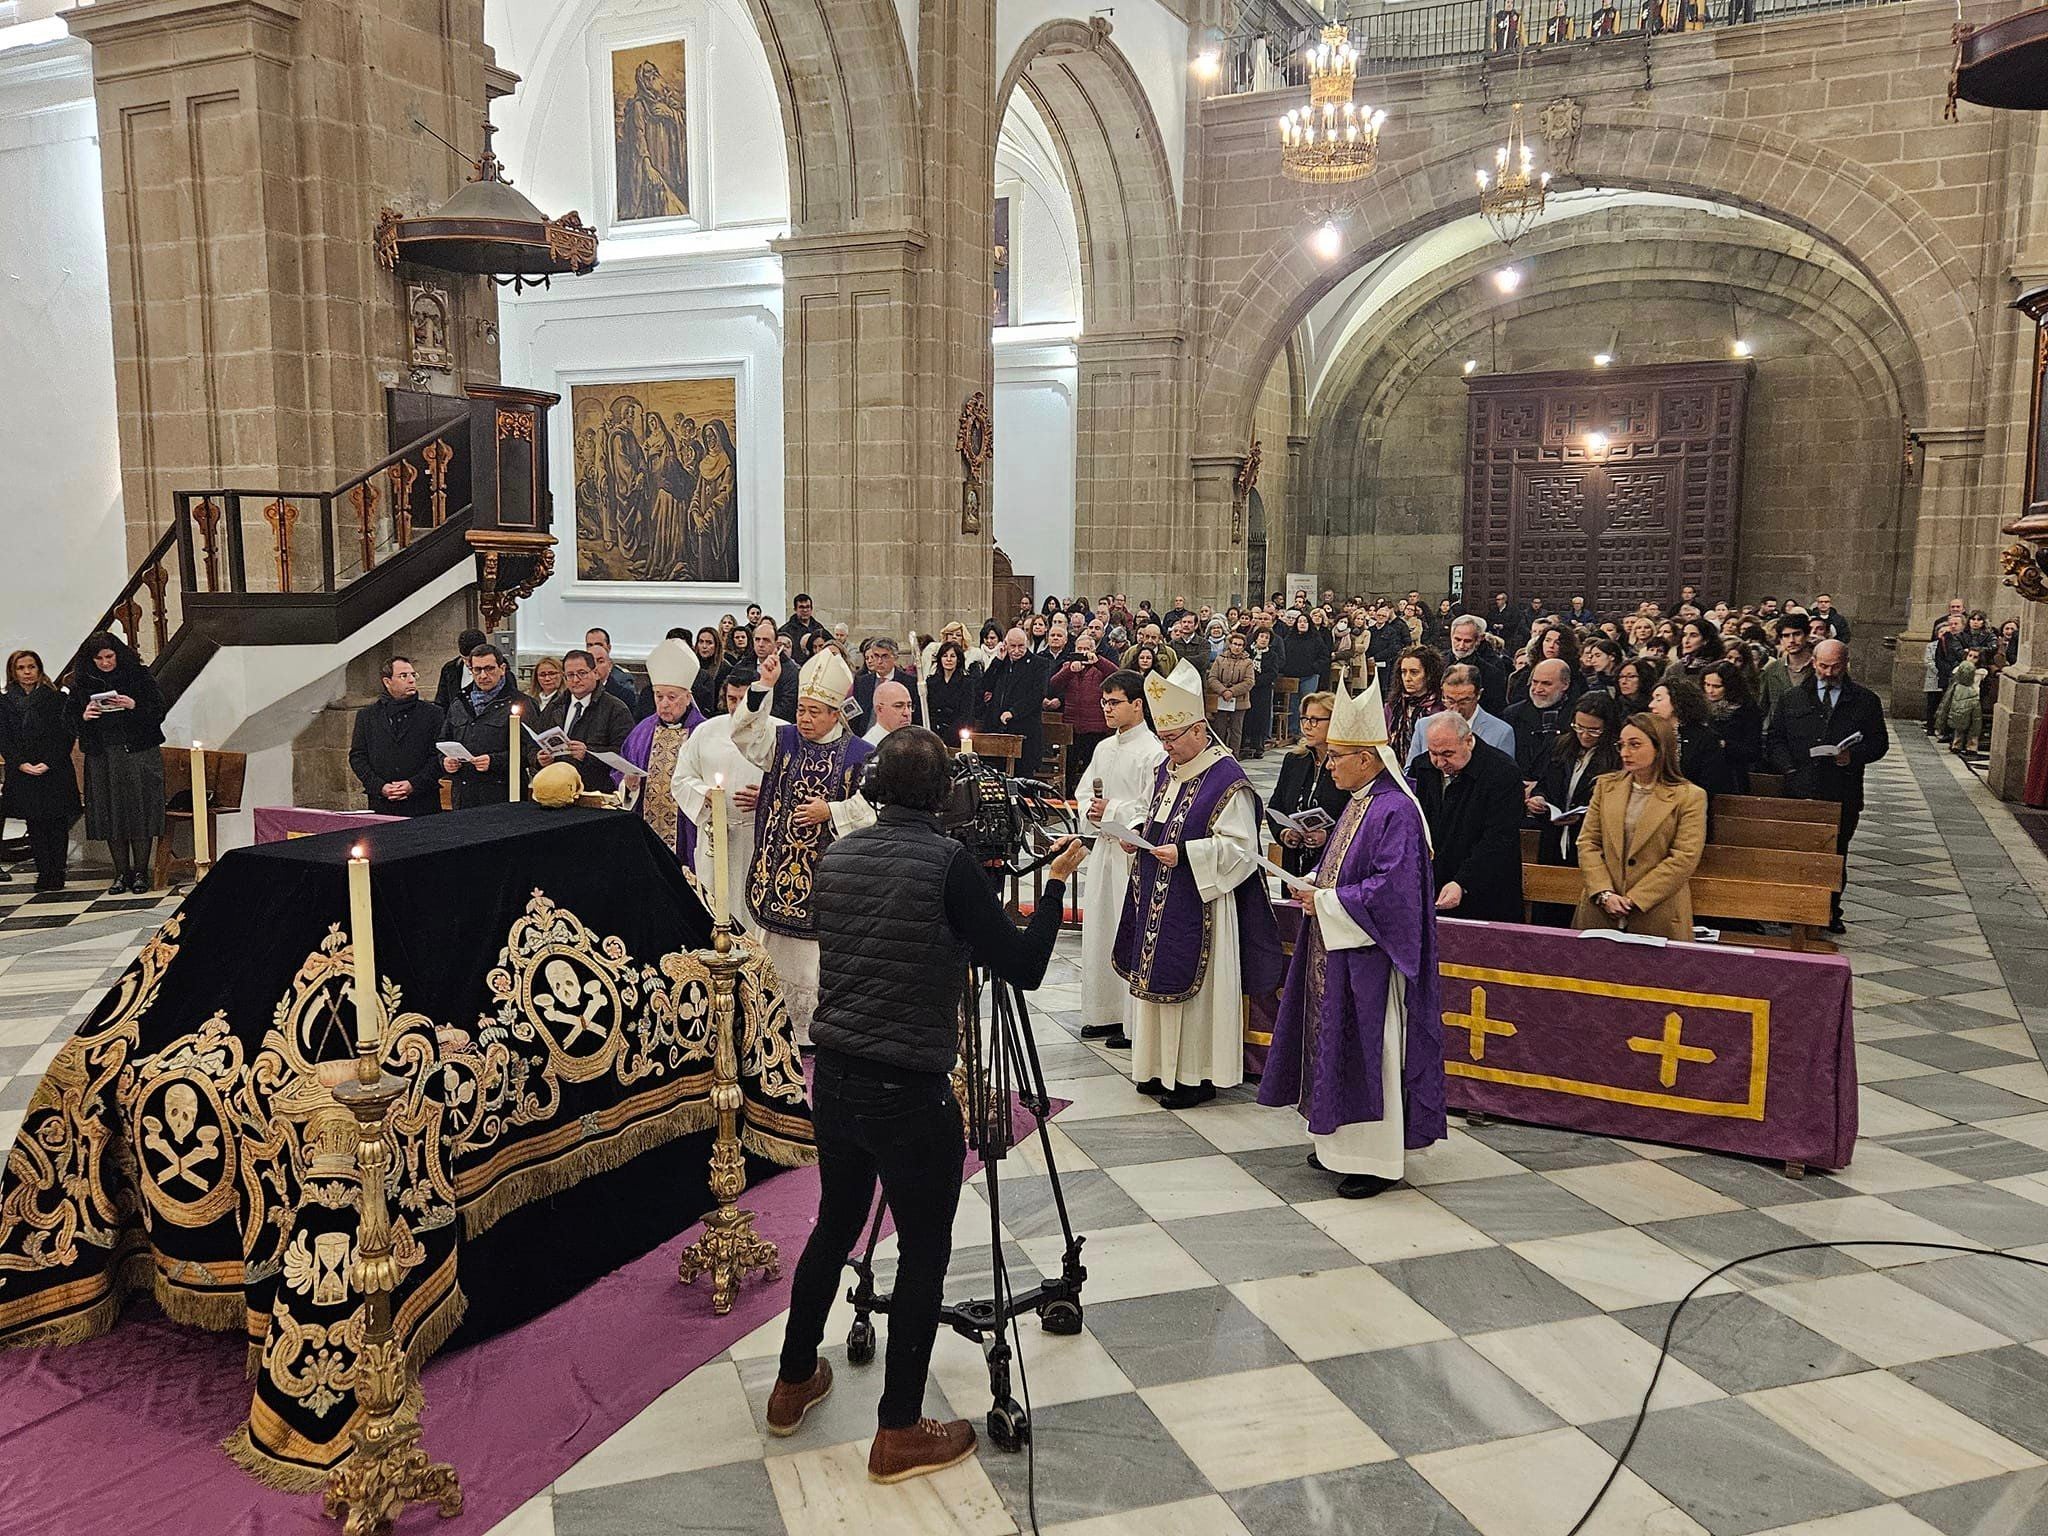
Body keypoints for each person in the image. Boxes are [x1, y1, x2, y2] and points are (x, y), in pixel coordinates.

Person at [768, 728, 1087, 1483]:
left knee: (834, 1225)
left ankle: (791, 1384)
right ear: (943, 793)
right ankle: (900, 1430)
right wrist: (1053, 885)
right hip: (909, 1088)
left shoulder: (840, 854)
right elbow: (1024, 967)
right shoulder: (947, 863)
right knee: (922, 1253)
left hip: (836, 1077)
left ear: (876, 787)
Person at [1259, 668, 1444, 1199]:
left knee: (1371, 1049)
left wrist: (1328, 900)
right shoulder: (1362, 800)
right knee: (1333, 1041)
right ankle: (1337, 1145)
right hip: (1338, 948)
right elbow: (1346, 864)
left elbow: (1392, 890)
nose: (1330, 764)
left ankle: (1376, 1159)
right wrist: (1315, 881)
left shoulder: (1396, 809)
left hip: (1370, 958)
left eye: (1337, 756)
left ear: (1366, 758)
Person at [1113, 663, 1283, 1110]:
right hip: (1159, 895)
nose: (1166, 748)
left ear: (1201, 730)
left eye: (1173, 738)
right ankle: (1152, 1067)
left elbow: (1242, 849)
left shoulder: (1228, 779)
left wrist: (1186, 855)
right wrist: (1137, 836)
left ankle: (1193, 1077)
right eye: (1163, 739)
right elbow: (1157, 817)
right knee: (1155, 987)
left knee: (1194, 997)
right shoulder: (1170, 769)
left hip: (1202, 902)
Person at [731, 648, 877, 1039]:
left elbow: (872, 809)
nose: (805, 718)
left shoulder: (861, 755)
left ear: (835, 714)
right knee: (773, 954)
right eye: (801, 709)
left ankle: (813, 1030)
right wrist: (764, 685)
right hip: (776, 874)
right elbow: (744, 734)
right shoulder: (783, 741)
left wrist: (831, 811)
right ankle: (772, 1022)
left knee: (816, 960)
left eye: (815, 711)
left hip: (825, 880)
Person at [1765, 639, 1888, 932]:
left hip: (1841, 789)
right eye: (1823, 666)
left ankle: (1830, 910)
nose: (1828, 672)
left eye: (1835, 667)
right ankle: (1794, 910)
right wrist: (1790, 769)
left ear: (1845, 665)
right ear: (1813, 663)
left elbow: (1879, 744)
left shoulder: (1865, 700)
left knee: (1836, 853)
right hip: (1800, 787)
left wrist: (1852, 756)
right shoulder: (1792, 698)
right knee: (1798, 853)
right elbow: (1775, 739)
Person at [1076, 670, 1165, 1046]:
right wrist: (1092, 813)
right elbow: (1082, 793)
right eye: (1104, 703)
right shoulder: (1103, 749)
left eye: (1114, 703)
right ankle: (1104, 1013)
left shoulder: (1154, 752)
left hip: (1132, 855)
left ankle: (1131, 1022)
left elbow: (1153, 806)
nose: (1107, 709)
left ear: (1137, 705)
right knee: (1100, 930)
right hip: (1105, 853)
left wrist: (1113, 810)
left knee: (1127, 930)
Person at [1574, 713, 1708, 940]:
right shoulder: (1605, 786)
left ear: (1660, 747)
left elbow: (1684, 857)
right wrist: (1604, 893)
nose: (1625, 753)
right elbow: (1588, 842)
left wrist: (1635, 899)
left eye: (1635, 745)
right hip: (1601, 908)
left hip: (1657, 913)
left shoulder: (1689, 797)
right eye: (1622, 745)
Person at [69, 632, 166, 893]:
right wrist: (84, 716)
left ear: (118, 654)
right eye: (98, 658)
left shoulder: (138, 675)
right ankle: (121, 873)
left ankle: (140, 873)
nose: (105, 663)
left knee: (139, 812)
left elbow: (158, 709)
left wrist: (133, 704)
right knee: (111, 814)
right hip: (103, 755)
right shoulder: (82, 682)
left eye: (109, 656)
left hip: (137, 753)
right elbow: (67, 720)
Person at [673, 665, 766, 936]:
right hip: (716, 837)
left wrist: (766, 798)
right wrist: (704, 794)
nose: (737, 708)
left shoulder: (779, 732)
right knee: (715, 907)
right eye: (731, 699)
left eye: (744, 700)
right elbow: (680, 778)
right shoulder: (706, 731)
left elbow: (792, 783)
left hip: (756, 837)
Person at [1410, 712, 1526, 922]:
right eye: (1433, 753)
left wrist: (1463, 883)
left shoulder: (1503, 772)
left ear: (1469, 741)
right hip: (1435, 881)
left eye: (1447, 753)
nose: (1439, 762)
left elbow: (1499, 838)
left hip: (1486, 889)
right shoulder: (1422, 767)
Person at [1528, 692, 1623, 917]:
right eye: (1579, 727)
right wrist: (1539, 799)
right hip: (1553, 836)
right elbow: (1545, 783)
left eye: (1593, 730)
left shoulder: (1616, 757)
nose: (1585, 735)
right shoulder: (1560, 746)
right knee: (1547, 910)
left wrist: (1584, 815)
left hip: (1590, 843)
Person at [614, 638, 706, 863]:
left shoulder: (703, 733)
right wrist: (629, 785)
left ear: (688, 697)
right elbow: (622, 772)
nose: (664, 703)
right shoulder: (642, 732)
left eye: (671, 697)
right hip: (647, 828)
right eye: (659, 696)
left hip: (686, 830)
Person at [0, 650, 78, 890]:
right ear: (13, 672)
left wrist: (49, 762)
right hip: (23, 769)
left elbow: (65, 734)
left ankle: (57, 871)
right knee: (35, 823)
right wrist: (20, 762)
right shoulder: (4, 703)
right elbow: (4, 736)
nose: (27, 672)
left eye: (31, 667)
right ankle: (44, 870)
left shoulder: (55, 699)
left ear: (39, 669)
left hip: (53, 768)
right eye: (21, 668)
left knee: (56, 822)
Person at [348, 656, 446, 816]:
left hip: (422, 802)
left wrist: (413, 784)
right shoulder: (367, 716)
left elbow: (439, 756)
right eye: (403, 676)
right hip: (382, 803)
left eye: (413, 675)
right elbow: (358, 757)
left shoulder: (433, 713)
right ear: (387, 682)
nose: (411, 680)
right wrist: (380, 787)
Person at [441, 643, 535, 808]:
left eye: (489, 669)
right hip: (465, 795)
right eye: (477, 670)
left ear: (502, 668)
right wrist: (445, 761)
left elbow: (531, 751)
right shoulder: (460, 703)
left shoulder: (521, 703)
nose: (483, 675)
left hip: (502, 793)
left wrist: (494, 761)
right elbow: (443, 739)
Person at [1270, 691, 1351, 878]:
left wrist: (1327, 835)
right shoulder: (1295, 759)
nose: (1308, 726)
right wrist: (1284, 833)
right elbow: (1276, 806)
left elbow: (1355, 817)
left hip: (1332, 863)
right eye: (1304, 719)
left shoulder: (1347, 764)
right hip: (1294, 862)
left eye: (1315, 720)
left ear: (1335, 721)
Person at [536, 649, 636, 793]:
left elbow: (624, 753)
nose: (576, 680)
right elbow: (534, 744)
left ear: (595, 673)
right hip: (559, 789)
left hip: (597, 791)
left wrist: (588, 754)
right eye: (570, 675)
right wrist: (539, 759)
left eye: (582, 673)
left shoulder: (615, 708)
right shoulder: (555, 706)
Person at [1046, 632, 1117, 790]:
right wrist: (1070, 670)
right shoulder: (1068, 666)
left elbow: (1116, 674)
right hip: (1073, 727)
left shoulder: (1100, 668)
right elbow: (1053, 685)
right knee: (1070, 765)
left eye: (1087, 648)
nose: (1083, 652)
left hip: (1095, 727)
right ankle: (1070, 793)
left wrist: (1098, 661)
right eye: (1080, 648)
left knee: (1092, 765)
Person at [975, 627, 1049, 774]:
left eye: (1020, 646)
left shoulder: (1039, 664)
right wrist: (998, 660)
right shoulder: (1002, 663)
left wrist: (1013, 712)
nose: (1016, 650)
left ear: (1027, 643)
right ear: (1005, 645)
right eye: (1012, 646)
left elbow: (1036, 695)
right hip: (997, 729)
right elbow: (985, 685)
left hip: (1024, 729)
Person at [1409, 663, 1515, 766]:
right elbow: (1410, 774)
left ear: (1479, 695)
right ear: (1442, 692)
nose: (1456, 709)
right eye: (1450, 700)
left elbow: (1504, 778)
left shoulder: (1501, 733)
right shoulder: (1423, 726)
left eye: (1463, 702)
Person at [1650, 680, 1737, 800]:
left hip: (1691, 804)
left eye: (1658, 699)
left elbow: (1711, 784)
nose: (1651, 705)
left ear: (1677, 701)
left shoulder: (1704, 737)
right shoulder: (1650, 734)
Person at [1503, 659, 1574, 778]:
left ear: (1565, 685)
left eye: (1546, 683)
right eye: (1535, 682)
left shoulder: (1575, 717)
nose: (1537, 689)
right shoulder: (1512, 714)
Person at [1701, 661, 1762, 791]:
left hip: (1732, 776)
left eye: (1717, 686)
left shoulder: (1746, 709)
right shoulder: (1698, 707)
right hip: (1702, 774)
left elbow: (1753, 751)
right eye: (1707, 685)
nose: (1710, 690)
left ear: (1730, 686)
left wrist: (1725, 744)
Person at [1385, 645, 1444, 764]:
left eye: (1414, 672)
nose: (1407, 678)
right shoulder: (1392, 707)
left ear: (1428, 675)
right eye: (1403, 672)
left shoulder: (1440, 709)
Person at [851, 638, 921, 737]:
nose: (879, 661)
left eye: (885, 656)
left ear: (895, 657)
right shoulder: (862, 682)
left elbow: (917, 717)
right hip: (867, 739)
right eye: (876, 656)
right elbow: (856, 717)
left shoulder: (910, 682)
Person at [1446, 616, 1508, 715]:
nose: (1461, 646)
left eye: (1467, 641)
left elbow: (1495, 709)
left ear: (1478, 640)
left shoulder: (1491, 672)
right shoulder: (1438, 663)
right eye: (1457, 639)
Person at [1207, 630, 1257, 752]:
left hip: (1240, 700)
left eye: (1240, 645)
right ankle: (1218, 753)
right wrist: (1223, 691)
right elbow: (1212, 678)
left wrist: (1232, 691)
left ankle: (1234, 754)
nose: (1236, 647)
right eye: (1234, 644)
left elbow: (1249, 681)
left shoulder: (1248, 662)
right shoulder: (1220, 659)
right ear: (1230, 645)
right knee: (1220, 728)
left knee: (1236, 729)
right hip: (1222, 698)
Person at [924, 641, 975, 743]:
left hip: (956, 735)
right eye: (944, 656)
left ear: (958, 660)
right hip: (935, 733)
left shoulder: (967, 683)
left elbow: (966, 714)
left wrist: (949, 735)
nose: (948, 659)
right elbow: (929, 710)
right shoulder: (932, 682)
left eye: (952, 656)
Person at [585, 628, 640, 713]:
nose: (594, 648)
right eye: (590, 645)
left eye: (599, 644)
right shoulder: (579, 687)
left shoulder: (622, 683)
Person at [433, 627, 487, 713]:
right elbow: (442, 702)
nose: (468, 664)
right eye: (464, 659)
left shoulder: (500, 670)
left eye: (471, 660)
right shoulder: (450, 669)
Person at [689, 627, 730, 718]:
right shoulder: (691, 665)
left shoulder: (725, 668)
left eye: (709, 643)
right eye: (701, 641)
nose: (704, 646)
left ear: (716, 645)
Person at [861, 680, 915, 745]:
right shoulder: (868, 748)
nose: (907, 713)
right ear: (879, 709)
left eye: (909, 706)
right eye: (898, 706)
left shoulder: (915, 740)